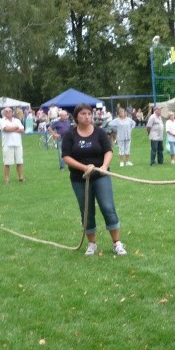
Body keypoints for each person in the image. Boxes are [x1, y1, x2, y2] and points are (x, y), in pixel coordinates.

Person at [61, 103, 127, 257]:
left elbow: (108, 151)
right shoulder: (70, 135)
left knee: (107, 207)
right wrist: (83, 168)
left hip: (100, 176)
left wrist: (104, 166)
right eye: (83, 114)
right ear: (77, 116)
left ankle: (117, 243)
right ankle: (92, 244)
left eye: (89, 114)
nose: (87, 116)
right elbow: (66, 157)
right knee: (86, 210)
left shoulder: (100, 133)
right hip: (80, 179)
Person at [0, 107, 25, 184]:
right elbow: (6, 129)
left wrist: (11, 129)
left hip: (18, 143)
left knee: (19, 161)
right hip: (7, 144)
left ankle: (20, 177)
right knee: (7, 163)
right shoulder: (1, 121)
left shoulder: (17, 120)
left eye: (10, 111)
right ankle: (7, 179)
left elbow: (22, 130)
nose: (8, 112)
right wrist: (16, 127)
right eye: (6, 111)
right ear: (4, 113)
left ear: (12, 112)